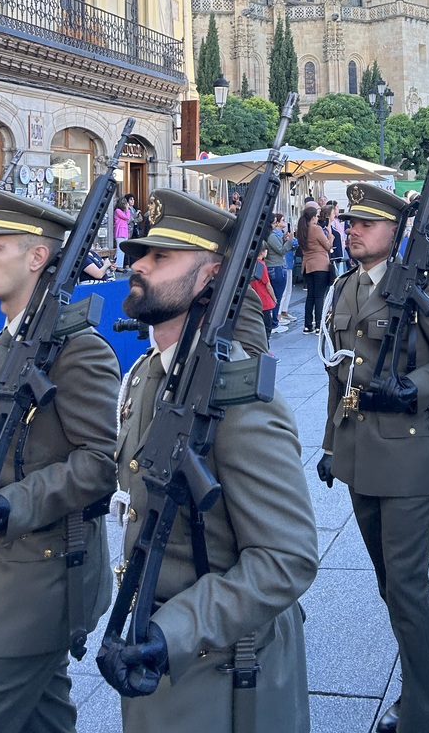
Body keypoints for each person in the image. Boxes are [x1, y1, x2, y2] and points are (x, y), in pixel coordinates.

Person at [109, 191, 318, 731]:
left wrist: (172, 630)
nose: (137, 265)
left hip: (220, 665)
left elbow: (286, 559)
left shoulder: (239, 398)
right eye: (140, 252)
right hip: (158, 644)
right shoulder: (149, 373)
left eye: (160, 257)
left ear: (210, 277)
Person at [0, 191, 119, 733]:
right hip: (5, 567)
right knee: (45, 720)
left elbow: (100, 462)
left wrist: (8, 507)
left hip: (44, 574)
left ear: (37, 257)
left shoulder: (77, 349)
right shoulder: (7, 346)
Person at [318, 183, 429, 733]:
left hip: (409, 455)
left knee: (406, 581)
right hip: (358, 453)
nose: (354, 230)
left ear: (396, 232)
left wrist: (413, 387)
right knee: (389, 580)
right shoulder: (345, 288)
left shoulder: (424, 289)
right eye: (351, 221)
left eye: (367, 222)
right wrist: (327, 443)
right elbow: (336, 373)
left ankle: (419, 708)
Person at [296, 205, 333, 335]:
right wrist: (330, 236)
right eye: (317, 216)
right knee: (319, 297)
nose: (318, 218)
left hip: (307, 266)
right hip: (320, 265)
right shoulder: (316, 229)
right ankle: (319, 326)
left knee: (310, 296)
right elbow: (327, 246)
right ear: (312, 218)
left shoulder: (300, 230)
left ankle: (307, 326)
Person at [265, 213, 292, 329]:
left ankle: (274, 318)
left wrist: (284, 239)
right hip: (276, 267)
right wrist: (289, 242)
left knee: (275, 294)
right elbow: (280, 251)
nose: (276, 224)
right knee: (277, 296)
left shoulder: (271, 235)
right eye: (275, 222)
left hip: (274, 266)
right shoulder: (271, 236)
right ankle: (275, 320)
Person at [250, 247, 277, 341]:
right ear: (262, 252)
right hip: (263, 298)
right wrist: (274, 298)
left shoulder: (251, 263)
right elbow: (268, 285)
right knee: (267, 326)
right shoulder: (261, 264)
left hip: (253, 297)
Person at [114, 195, 131, 270]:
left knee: (122, 250)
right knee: (120, 250)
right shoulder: (117, 211)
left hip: (124, 232)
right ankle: (118, 266)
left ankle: (119, 264)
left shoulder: (122, 211)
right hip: (120, 232)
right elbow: (127, 217)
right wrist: (127, 209)